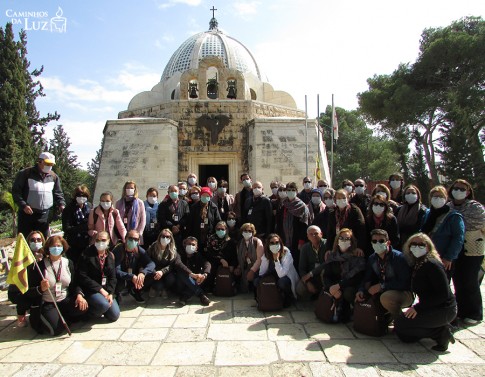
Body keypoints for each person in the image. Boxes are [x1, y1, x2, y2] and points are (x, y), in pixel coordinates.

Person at [395, 233, 457, 351]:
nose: (417, 247)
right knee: (404, 334)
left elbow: (443, 294)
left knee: (401, 325)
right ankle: (435, 329)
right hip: (428, 307)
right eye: (413, 244)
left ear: (428, 247)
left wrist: (418, 308)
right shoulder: (418, 263)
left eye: (421, 244)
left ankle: (441, 332)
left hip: (443, 309)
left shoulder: (432, 264)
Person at [26, 235, 88, 335]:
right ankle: (45, 318)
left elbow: (74, 283)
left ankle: (64, 316)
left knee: (83, 308)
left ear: (63, 247)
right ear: (48, 248)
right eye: (53, 246)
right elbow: (29, 291)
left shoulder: (68, 263)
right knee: (57, 330)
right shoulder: (39, 266)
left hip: (64, 299)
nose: (56, 248)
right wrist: (40, 288)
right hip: (48, 302)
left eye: (59, 246)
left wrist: (79, 295)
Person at [448, 179, 485, 325]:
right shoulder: (448, 206)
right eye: (456, 188)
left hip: (472, 248)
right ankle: (461, 311)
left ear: (468, 191)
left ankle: (475, 313)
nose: (458, 191)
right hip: (455, 249)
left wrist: (456, 224)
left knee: (470, 280)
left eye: (462, 189)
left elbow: (478, 222)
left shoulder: (475, 207)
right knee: (458, 280)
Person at [356, 229, 413, 319]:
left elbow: (405, 283)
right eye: (374, 241)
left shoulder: (399, 258)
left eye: (381, 241)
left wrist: (382, 286)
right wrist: (361, 290)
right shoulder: (372, 259)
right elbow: (367, 278)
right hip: (385, 290)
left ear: (388, 242)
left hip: (404, 293)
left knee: (385, 298)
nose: (377, 243)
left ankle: (400, 321)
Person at [12, 151, 66, 238]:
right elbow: (16, 192)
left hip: (44, 216)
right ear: (40, 162)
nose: (49, 166)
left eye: (52, 164)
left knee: (42, 242)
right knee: (25, 241)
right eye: (47, 164)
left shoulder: (54, 177)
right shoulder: (26, 173)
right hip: (27, 215)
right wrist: (23, 205)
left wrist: (61, 204)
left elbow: (58, 193)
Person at [421, 185, 465, 280]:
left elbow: (458, 238)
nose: (438, 199)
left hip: (443, 258)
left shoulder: (454, 216)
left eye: (441, 197)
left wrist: (449, 257)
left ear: (446, 199)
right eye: (435, 196)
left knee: (441, 287)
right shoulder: (428, 214)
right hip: (426, 256)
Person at [323, 228, 366, 322]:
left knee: (348, 292)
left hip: (349, 286)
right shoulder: (332, 256)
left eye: (347, 239)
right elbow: (327, 275)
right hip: (334, 286)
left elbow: (357, 278)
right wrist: (331, 287)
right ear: (337, 240)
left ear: (351, 241)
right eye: (341, 238)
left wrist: (339, 286)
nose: (344, 241)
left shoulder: (357, 256)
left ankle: (351, 310)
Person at [77, 231, 120, 322]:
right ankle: (88, 313)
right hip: (91, 289)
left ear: (108, 241)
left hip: (105, 290)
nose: (100, 242)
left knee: (114, 315)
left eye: (103, 240)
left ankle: (101, 307)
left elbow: (112, 277)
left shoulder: (110, 256)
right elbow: (83, 276)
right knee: (104, 305)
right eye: (98, 240)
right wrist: (101, 290)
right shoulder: (86, 254)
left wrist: (110, 293)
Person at [8, 231, 45, 327]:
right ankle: (21, 313)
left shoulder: (45, 255)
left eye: (38, 240)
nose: (36, 242)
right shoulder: (22, 258)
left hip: (39, 289)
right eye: (32, 240)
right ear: (28, 242)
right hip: (23, 290)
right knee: (24, 299)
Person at [145, 229, 191, 299]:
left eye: (167, 237)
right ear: (159, 237)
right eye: (163, 236)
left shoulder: (172, 250)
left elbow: (172, 265)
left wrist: (162, 271)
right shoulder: (152, 247)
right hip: (154, 272)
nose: (165, 238)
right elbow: (148, 260)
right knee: (158, 285)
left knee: (171, 279)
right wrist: (155, 272)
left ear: (171, 238)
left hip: (166, 272)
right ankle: (153, 287)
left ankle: (165, 289)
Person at [256, 233, 299, 307]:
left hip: (285, 277)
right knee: (257, 280)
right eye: (272, 243)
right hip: (273, 275)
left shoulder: (286, 253)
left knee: (282, 282)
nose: (274, 244)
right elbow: (262, 272)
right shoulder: (266, 253)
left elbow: (281, 274)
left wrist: (276, 260)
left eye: (276, 242)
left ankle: (288, 298)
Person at [113, 230, 155, 304]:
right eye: (130, 238)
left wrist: (143, 273)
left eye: (136, 239)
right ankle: (116, 294)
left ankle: (135, 291)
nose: (133, 241)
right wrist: (131, 276)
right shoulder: (118, 250)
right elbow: (116, 271)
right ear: (125, 238)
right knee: (119, 282)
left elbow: (151, 264)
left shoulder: (138, 249)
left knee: (152, 273)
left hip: (134, 275)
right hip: (122, 276)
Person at [325, 189, 366, 255]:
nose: (341, 200)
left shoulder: (355, 211)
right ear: (335, 200)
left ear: (348, 198)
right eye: (338, 198)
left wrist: (360, 247)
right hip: (338, 246)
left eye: (343, 198)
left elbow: (361, 229)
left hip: (352, 246)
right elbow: (330, 233)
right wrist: (328, 249)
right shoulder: (332, 214)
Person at [280, 182, 309, 270]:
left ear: (296, 191)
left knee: (296, 261)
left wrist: (301, 241)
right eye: (288, 190)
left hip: (297, 240)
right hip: (285, 238)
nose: (291, 192)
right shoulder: (284, 205)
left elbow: (304, 225)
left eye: (293, 190)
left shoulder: (302, 206)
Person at [62, 184, 91, 265]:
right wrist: (83, 227)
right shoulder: (68, 209)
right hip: (73, 243)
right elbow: (66, 228)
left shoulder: (89, 206)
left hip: (86, 242)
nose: (82, 197)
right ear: (75, 196)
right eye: (79, 195)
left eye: (84, 195)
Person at [177, 237, 211, 306]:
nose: (191, 246)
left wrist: (205, 275)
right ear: (185, 245)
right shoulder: (179, 254)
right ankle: (201, 294)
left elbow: (207, 263)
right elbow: (179, 264)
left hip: (193, 282)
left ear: (196, 248)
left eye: (193, 245)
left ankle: (185, 296)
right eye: (189, 244)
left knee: (201, 275)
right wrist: (192, 274)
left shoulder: (197, 255)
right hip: (180, 283)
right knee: (182, 272)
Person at [204, 221, 238, 291]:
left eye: (222, 229)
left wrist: (232, 265)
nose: (220, 231)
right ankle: (210, 287)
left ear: (226, 230)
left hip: (227, 262)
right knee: (210, 268)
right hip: (214, 261)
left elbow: (233, 255)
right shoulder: (211, 239)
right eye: (218, 229)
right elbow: (209, 253)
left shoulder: (230, 241)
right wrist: (221, 260)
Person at [157, 185, 190, 252]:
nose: (173, 192)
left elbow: (187, 216)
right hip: (168, 232)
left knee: (180, 251)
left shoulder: (184, 203)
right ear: (168, 193)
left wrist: (179, 225)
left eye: (175, 191)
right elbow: (161, 218)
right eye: (171, 191)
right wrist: (172, 226)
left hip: (181, 232)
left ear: (178, 192)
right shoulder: (163, 204)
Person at [297, 225, 326, 300]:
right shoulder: (305, 248)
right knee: (300, 288)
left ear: (321, 234)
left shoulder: (327, 245)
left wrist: (311, 273)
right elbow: (302, 269)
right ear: (307, 236)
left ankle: (325, 296)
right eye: (311, 234)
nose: (314, 236)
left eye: (316, 233)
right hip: (312, 277)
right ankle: (314, 295)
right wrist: (307, 282)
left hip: (325, 275)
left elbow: (327, 263)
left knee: (324, 272)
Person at [234, 223, 264, 293]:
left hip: (257, 269)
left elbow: (260, 259)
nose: (247, 232)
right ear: (242, 232)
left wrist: (252, 271)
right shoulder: (239, 244)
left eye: (250, 231)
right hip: (244, 267)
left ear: (253, 232)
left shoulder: (257, 241)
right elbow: (240, 259)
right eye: (245, 231)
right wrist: (238, 268)